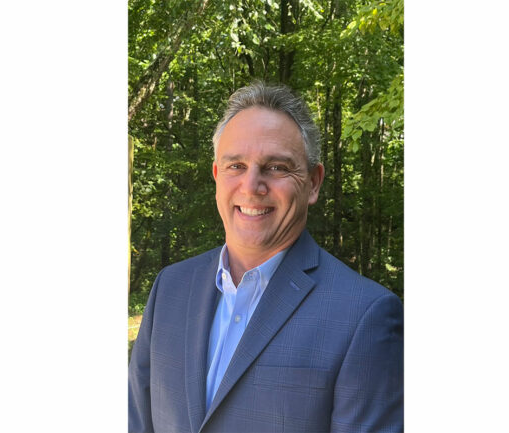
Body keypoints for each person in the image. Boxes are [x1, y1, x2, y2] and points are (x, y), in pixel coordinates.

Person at [128, 82, 403, 433]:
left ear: (314, 182)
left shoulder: (366, 315)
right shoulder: (170, 288)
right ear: (216, 176)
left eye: (276, 167)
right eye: (236, 166)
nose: (251, 186)